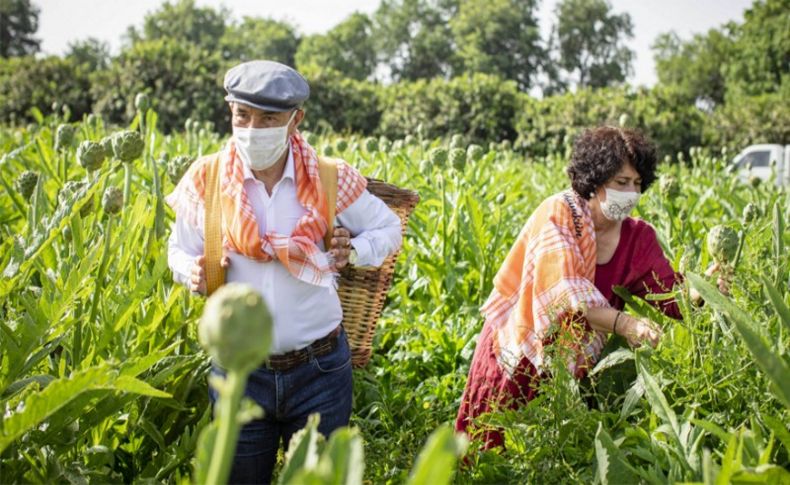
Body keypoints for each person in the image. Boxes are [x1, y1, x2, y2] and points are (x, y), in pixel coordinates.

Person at [165, 60, 402, 484]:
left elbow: (388, 227)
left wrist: (356, 251)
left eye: (268, 118)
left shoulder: (329, 179)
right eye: (243, 116)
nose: (253, 129)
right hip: (240, 374)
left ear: (296, 120)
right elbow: (178, 250)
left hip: (321, 372)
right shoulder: (208, 178)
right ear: (230, 112)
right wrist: (191, 271)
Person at [455, 126, 710, 450]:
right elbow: (564, 292)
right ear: (595, 179)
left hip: (570, 374)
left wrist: (706, 289)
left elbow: (671, 296)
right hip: (516, 353)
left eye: (637, 184)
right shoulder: (559, 214)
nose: (630, 193)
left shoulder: (637, 238)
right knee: (487, 450)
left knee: (550, 454)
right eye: (621, 183)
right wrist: (626, 324)